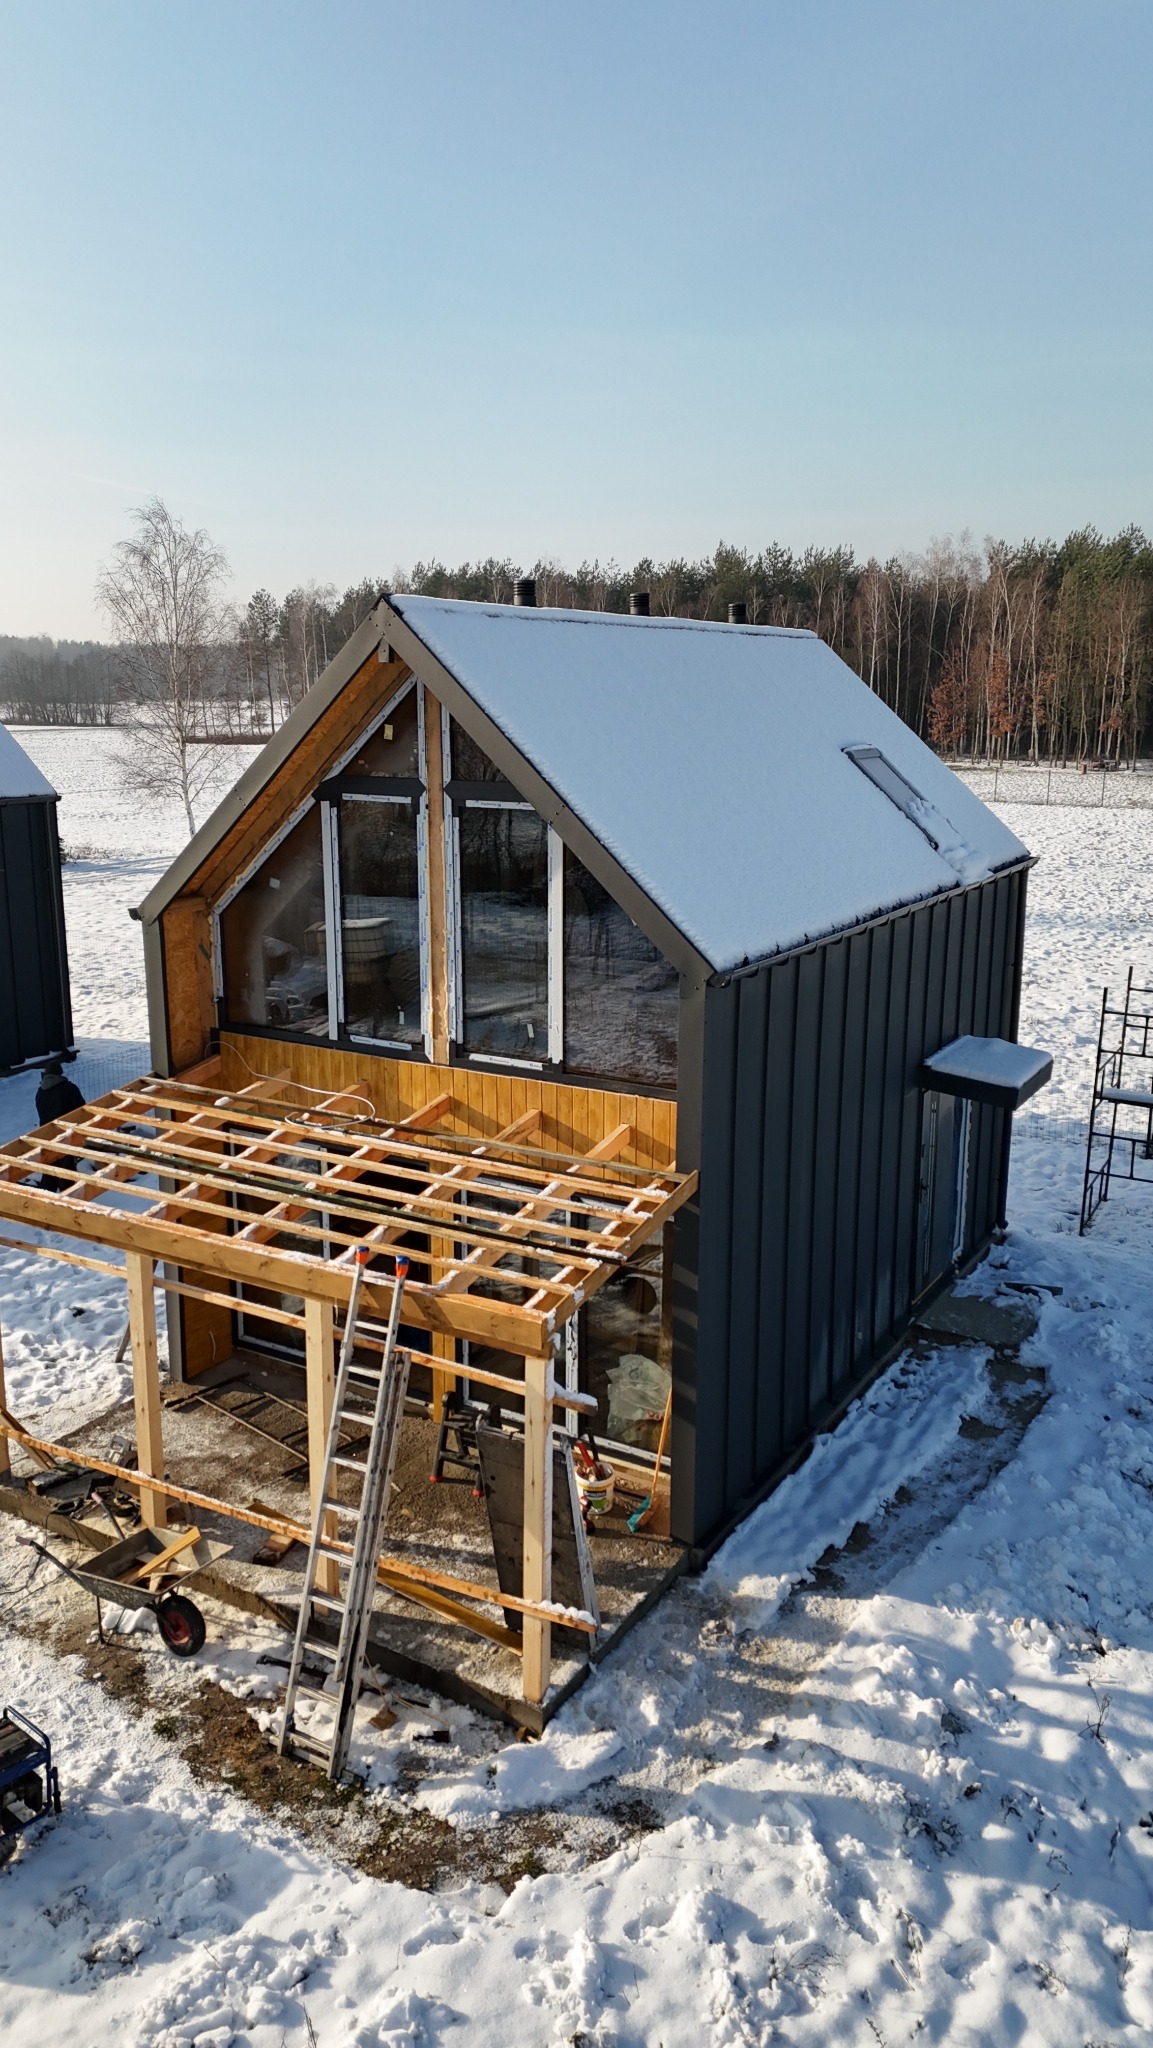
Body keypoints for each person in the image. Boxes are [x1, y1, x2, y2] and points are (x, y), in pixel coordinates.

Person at [33, 1061, 85, 1192]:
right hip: (65, 1134)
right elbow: (81, 1110)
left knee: (50, 1166)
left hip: (46, 1134)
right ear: (60, 1073)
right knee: (67, 1168)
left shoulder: (41, 1091)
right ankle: (69, 1197)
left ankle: (47, 1194)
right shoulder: (69, 1089)